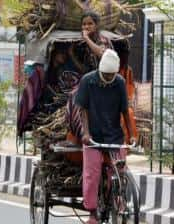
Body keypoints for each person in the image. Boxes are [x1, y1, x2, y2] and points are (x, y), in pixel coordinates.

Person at [74, 49, 136, 224]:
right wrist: (86, 132)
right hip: (93, 135)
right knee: (92, 174)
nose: (109, 78)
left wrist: (131, 135)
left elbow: (125, 110)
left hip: (114, 135)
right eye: (106, 75)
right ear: (100, 71)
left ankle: (119, 202)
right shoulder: (88, 81)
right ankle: (92, 212)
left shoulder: (119, 82)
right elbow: (82, 109)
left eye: (112, 75)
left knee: (119, 170)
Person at [68, 11, 113, 75]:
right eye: (84, 24)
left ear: (96, 25)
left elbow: (102, 54)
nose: (86, 27)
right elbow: (84, 70)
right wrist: (71, 54)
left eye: (90, 24)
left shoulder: (102, 39)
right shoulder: (84, 44)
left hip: (106, 78)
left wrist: (86, 38)